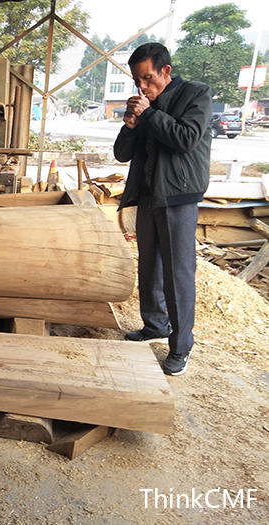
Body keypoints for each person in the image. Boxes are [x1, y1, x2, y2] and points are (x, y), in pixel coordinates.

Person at [113, 43, 212, 376]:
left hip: (179, 197)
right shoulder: (144, 106)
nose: (142, 87)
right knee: (150, 269)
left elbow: (186, 138)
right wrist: (130, 123)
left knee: (177, 274)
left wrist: (150, 114)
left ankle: (181, 345)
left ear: (165, 71)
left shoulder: (197, 95)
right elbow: (122, 155)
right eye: (137, 81)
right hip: (148, 195)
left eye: (147, 78)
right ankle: (155, 325)